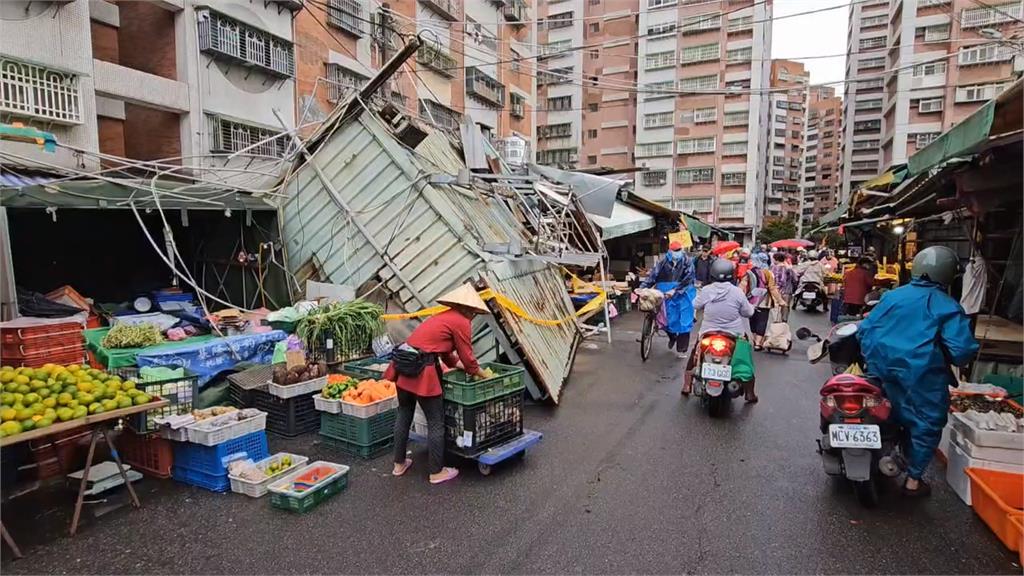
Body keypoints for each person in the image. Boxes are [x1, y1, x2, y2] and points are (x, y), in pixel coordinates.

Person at [858, 246, 979, 497]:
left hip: (881, 372)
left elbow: (865, 329)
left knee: (885, 414)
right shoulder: (946, 307)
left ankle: (881, 455)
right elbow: (960, 350)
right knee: (927, 424)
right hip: (922, 378)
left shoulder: (891, 297)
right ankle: (913, 481)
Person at [385, 283, 491, 485]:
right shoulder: (461, 321)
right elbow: (468, 359)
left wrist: (462, 367)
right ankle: (436, 472)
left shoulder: (443, 317)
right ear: (469, 309)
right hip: (422, 370)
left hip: (404, 363)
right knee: (436, 420)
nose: (474, 316)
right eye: (475, 312)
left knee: (404, 412)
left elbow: (449, 358)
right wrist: (483, 374)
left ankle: (399, 464)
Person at [685, 259, 757, 401]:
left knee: (695, 352)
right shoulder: (737, 292)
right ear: (732, 275)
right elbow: (748, 313)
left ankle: (687, 385)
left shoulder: (707, 290)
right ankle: (749, 393)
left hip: (708, 332)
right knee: (745, 355)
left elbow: (695, 305)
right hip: (733, 334)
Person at [641, 241, 697, 359]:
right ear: (669, 251)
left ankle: (682, 349)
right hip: (665, 294)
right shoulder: (662, 262)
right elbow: (652, 276)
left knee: (684, 321)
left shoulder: (687, 262)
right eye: (674, 251)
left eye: (678, 250)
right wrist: (642, 288)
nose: (677, 253)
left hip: (683, 294)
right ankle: (672, 336)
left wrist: (675, 290)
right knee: (664, 319)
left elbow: (689, 278)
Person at [740, 256, 784, 351]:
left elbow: (743, 286)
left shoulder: (749, 272)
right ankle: (758, 343)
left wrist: (740, 299)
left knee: (752, 320)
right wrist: (780, 300)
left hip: (751, 300)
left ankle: (755, 339)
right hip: (764, 301)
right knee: (762, 321)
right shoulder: (768, 273)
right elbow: (772, 288)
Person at [770, 252, 798, 322]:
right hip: (787, 291)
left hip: (776, 291)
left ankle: (777, 322)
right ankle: (784, 322)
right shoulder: (789, 268)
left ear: (776, 259)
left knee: (776, 308)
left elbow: (772, 280)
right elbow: (795, 279)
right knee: (785, 307)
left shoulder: (773, 268)